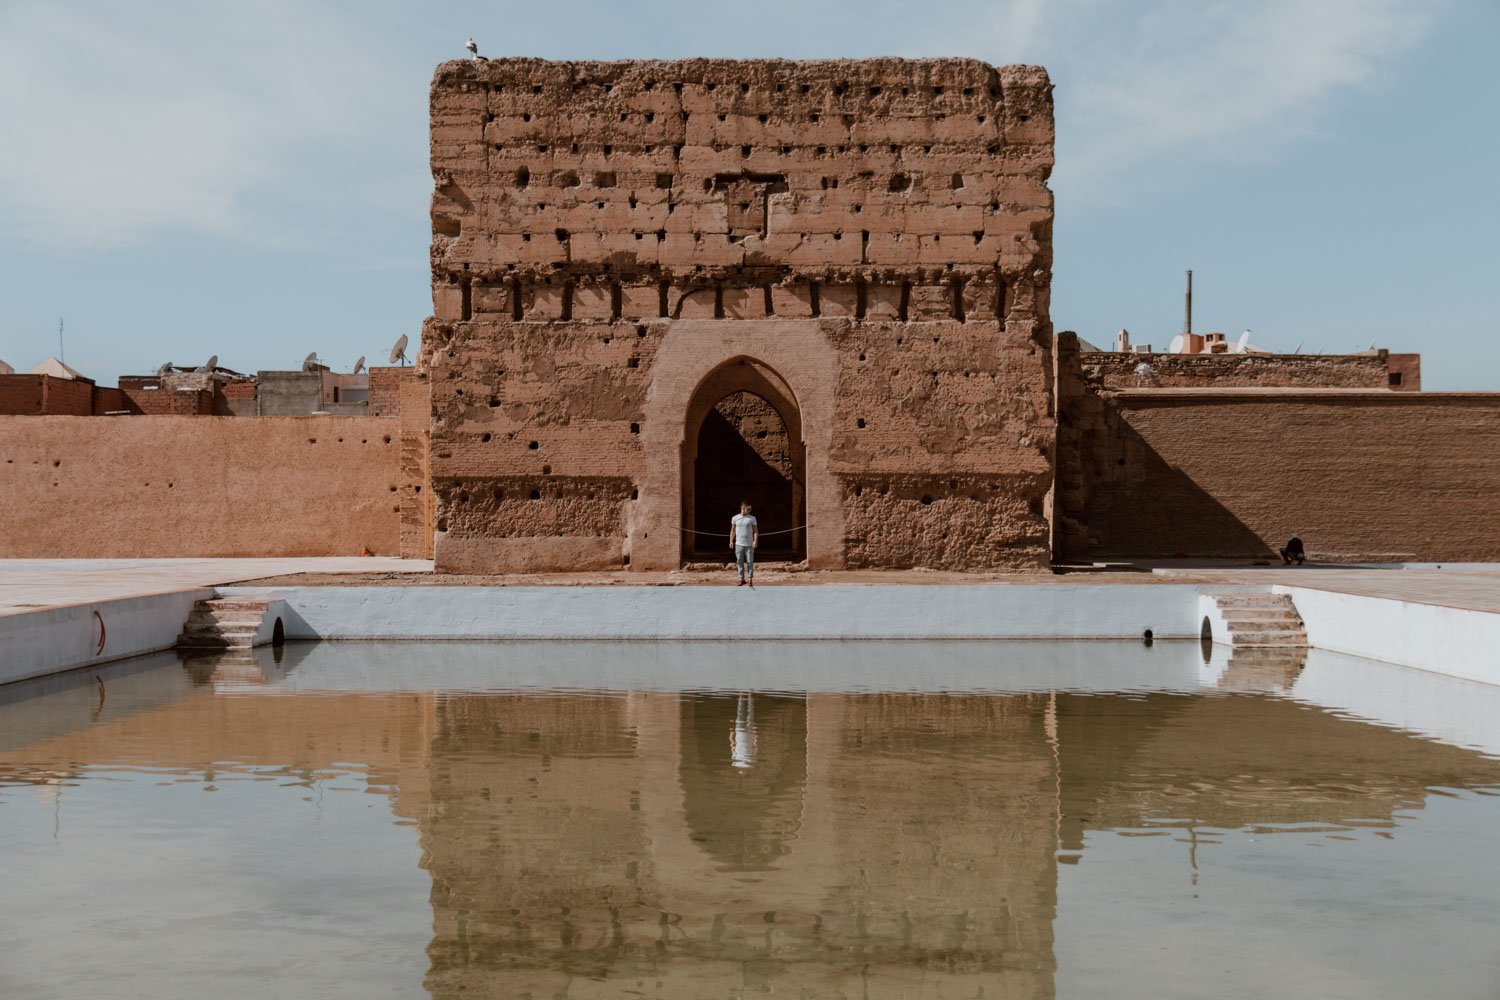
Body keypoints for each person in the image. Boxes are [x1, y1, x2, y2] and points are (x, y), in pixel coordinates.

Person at [730, 501, 758, 587]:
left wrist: (755, 541)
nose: (750, 510)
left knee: (750, 562)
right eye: (748, 509)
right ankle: (741, 579)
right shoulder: (735, 518)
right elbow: (733, 530)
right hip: (739, 544)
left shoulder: (752, 518)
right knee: (739, 562)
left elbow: (755, 531)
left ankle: (750, 579)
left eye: (750, 509)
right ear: (743, 508)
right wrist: (731, 541)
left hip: (749, 544)